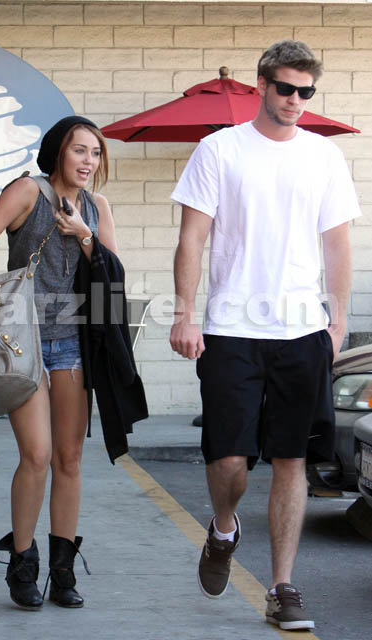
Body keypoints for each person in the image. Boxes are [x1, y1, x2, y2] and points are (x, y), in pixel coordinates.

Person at [170, 40, 361, 631]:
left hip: (302, 331)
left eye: (306, 91)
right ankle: (224, 527)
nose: (295, 99)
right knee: (229, 459)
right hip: (230, 327)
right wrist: (184, 312)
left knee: (290, 458)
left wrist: (337, 321)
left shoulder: (324, 156)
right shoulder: (219, 150)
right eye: (285, 88)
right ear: (262, 85)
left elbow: (337, 244)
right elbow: (192, 237)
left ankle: (282, 586)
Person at [0, 115, 118, 610]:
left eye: (95, 152)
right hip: (21, 345)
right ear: (58, 152)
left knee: (69, 459)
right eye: (79, 150)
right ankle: (22, 562)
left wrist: (84, 234)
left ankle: (62, 571)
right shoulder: (27, 192)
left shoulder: (97, 207)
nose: (88, 161)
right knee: (36, 455)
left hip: (72, 344)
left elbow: (112, 277)